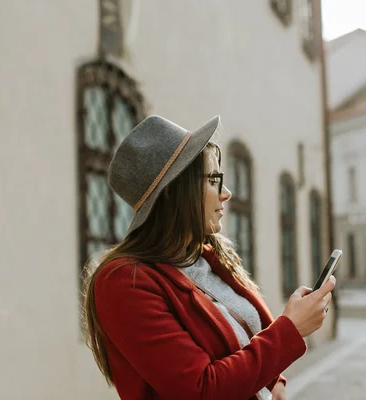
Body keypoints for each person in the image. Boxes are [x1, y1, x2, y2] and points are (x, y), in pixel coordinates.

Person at [83, 115, 336, 400]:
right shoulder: (123, 282)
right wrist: (290, 330)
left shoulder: (210, 256)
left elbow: (248, 340)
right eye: (214, 180)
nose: (226, 194)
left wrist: (274, 383)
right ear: (172, 191)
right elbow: (201, 389)